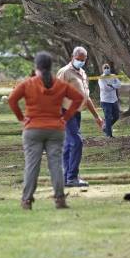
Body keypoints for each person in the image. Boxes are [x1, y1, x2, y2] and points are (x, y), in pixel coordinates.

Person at [9, 51, 84, 210]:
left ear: (36, 67)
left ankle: (27, 200)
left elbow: (12, 99)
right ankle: (59, 199)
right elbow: (78, 98)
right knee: (56, 165)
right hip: (55, 129)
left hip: (33, 129)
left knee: (32, 166)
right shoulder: (60, 84)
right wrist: (66, 117)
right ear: (51, 67)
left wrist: (21, 118)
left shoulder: (28, 83)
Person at [56, 47, 104, 188]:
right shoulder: (64, 72)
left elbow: (86, 97)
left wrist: (97, 117)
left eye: (83, 60)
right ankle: (72, 177)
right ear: (72, 56)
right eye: (78, 59)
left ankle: (66, 178)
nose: (81, 62)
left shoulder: (82, 73)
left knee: (68, 145)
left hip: (76, 113)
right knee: (77, 142)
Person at [98, 63, 121, 138]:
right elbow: (105, 88)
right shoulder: (101, 78)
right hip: (105, 100)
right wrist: (114, 86)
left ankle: (106, 127)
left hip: (114, 99)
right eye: (105, 68)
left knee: (116, 116)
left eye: (108, 67)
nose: (107, 69)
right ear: (103, 69)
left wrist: (111, 85)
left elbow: (119, 84)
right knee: (108, 117)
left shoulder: (113, 76)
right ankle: (109, 135)